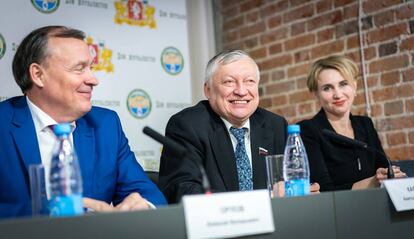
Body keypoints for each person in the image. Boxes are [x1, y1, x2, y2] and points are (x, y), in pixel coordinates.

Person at [0, 25, 166, 218]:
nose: (93, 80)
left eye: (91, 68)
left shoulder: (105, 125)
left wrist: (143, 207)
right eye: (79, 69)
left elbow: (148, 195)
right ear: (38, 74)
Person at [159, 50, 318, 204]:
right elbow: (182, 190)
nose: (241, 91)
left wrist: (302, 193)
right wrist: (260, 200)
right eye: (229, 82)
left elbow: (289, 183)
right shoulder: (187, 125)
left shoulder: (275, 125)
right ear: (208, 90)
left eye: (249, 81)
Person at [298, 55, 406, 192]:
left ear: (354, 86)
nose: (337, 94)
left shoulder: (365, 124)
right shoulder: (308, 130)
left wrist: (389, 175)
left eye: (343, 84)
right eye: (327, 88)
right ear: (316, 94)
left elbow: (383, 166)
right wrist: (373, 181)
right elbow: (323, 190)